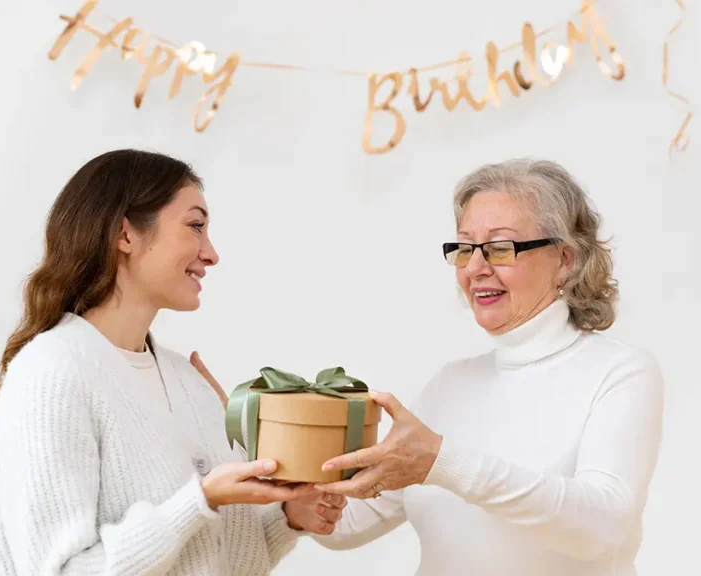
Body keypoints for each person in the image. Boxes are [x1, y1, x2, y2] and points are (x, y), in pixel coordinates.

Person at [198, 159, 665, 575]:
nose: (476, 267)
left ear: (565, 258)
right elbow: (351, 521)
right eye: (464, 248)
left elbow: (604, 526)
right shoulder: (452, 383)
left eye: (500, 248)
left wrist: (441, 462)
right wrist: (277, 452)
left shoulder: (619, 372)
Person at [0, 149, 341, 576]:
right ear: (124, 234)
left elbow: (222, 563)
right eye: (195, 226)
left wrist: (287, 518)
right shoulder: (51, 374)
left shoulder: (188, 382)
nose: (211, 254)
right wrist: (199, 501)